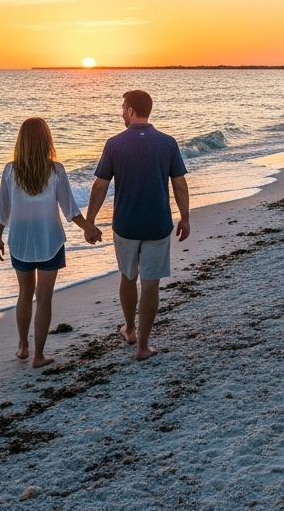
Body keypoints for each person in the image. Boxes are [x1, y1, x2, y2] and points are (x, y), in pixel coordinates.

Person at [86, 90, 189, 362]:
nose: (121, 112)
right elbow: (179, 184)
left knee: (128, 278)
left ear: (131, 110)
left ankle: (130, 329)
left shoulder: (115, 144)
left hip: (126, 225)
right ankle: (143, 346)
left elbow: (100, 185)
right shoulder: (167, 143)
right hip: (158, 224)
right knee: (151, 285)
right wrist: (185, 217)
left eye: (123, 107)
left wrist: (90, 221)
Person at [0, 117, 101, 367]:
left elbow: (2, 210)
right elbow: (70, 210)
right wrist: (90, 229)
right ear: (46, 141)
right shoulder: (55, 171)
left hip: (20, 241)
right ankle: (38, 356)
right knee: (43, 298)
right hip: (49, 240)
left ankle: (23, 346)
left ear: (21, 142)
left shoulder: (11, 170)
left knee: (24, 294)